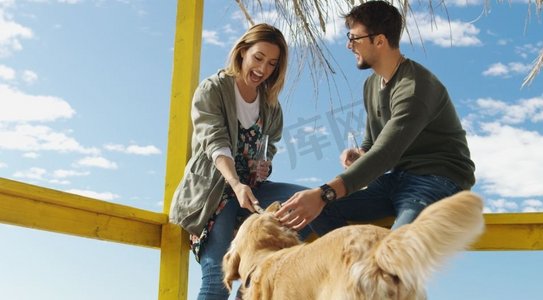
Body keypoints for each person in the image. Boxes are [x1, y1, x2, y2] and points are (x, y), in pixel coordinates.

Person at [275, 0, 476, 235]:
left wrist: (323, 193)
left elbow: (385, 154)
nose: (349, 46)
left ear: (379, 40)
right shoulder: (371, 84)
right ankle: (357, 269)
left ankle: (377, 269)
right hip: (396, 180)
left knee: (398, 247)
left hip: (438, 179)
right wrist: (359, 155)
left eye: (354, 38)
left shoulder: (415, 87)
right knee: (323, 211)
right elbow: (372, 145)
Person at [169, 23, 308, 300]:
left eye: (272, 63)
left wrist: (265, 164)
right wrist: (235, 182)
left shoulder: (270, 104)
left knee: (305, 202)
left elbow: (270, 147)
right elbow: (214, 140)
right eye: (258, 58)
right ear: (242, 52)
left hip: (253, 192)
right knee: (218, 278)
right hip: (214, 192)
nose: (263, 69)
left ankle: (259, 281)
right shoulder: (214, 89)